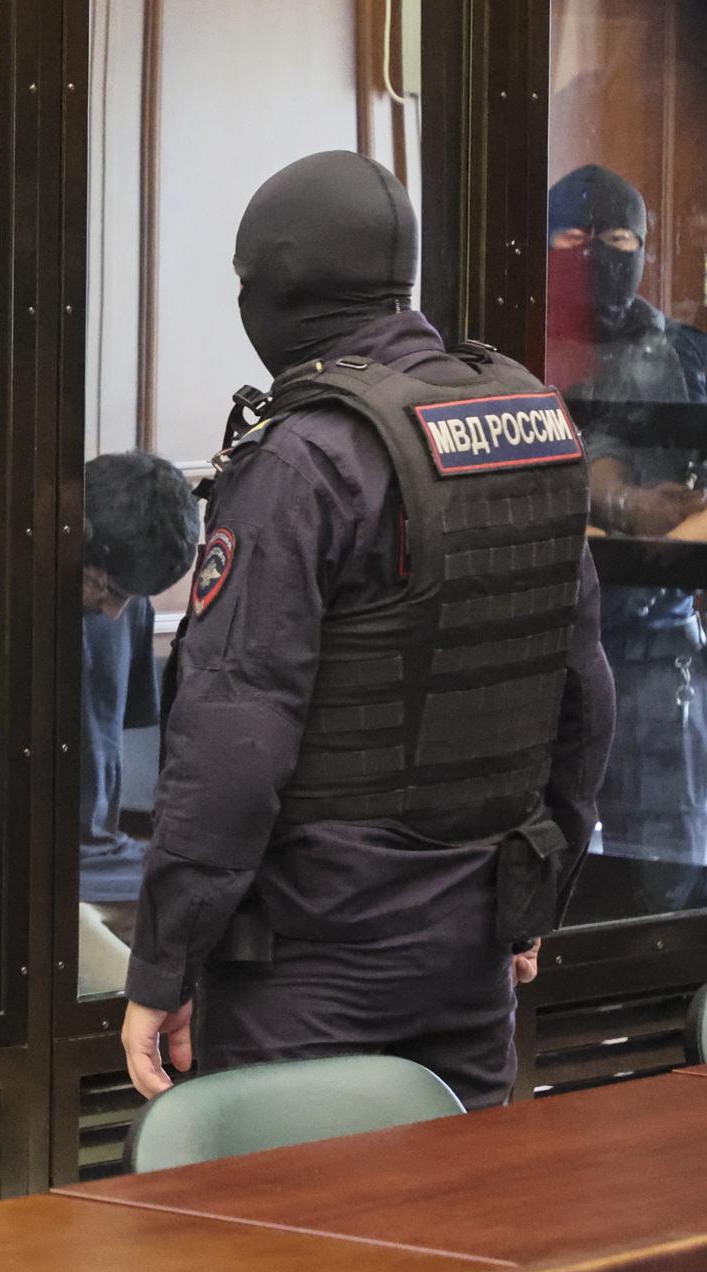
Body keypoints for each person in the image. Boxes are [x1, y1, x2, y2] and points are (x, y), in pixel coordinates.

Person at [120, 151, 615, 1111]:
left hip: (310, 967)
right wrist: (532, 903)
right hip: (475, 959)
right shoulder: (529, 427)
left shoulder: (302, 461)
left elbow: (233, 744)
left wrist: (163, 961)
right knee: (459, 1248)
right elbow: (583, 694)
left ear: (276, 286)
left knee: (293, 1252)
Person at [546, 164, 707, 919]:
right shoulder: (515, 347)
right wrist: (613, 496)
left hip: (652, 643)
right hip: (541, 646)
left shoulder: (681, 356)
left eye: (616, 239)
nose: (595, 256)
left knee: (662, 869)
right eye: (571, 238)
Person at [79, 452, 201, 944]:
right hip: (12, 859)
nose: (115, 612)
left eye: (133, 595)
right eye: (105, 587)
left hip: (100, 853)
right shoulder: (1, 597)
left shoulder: (130, 607)